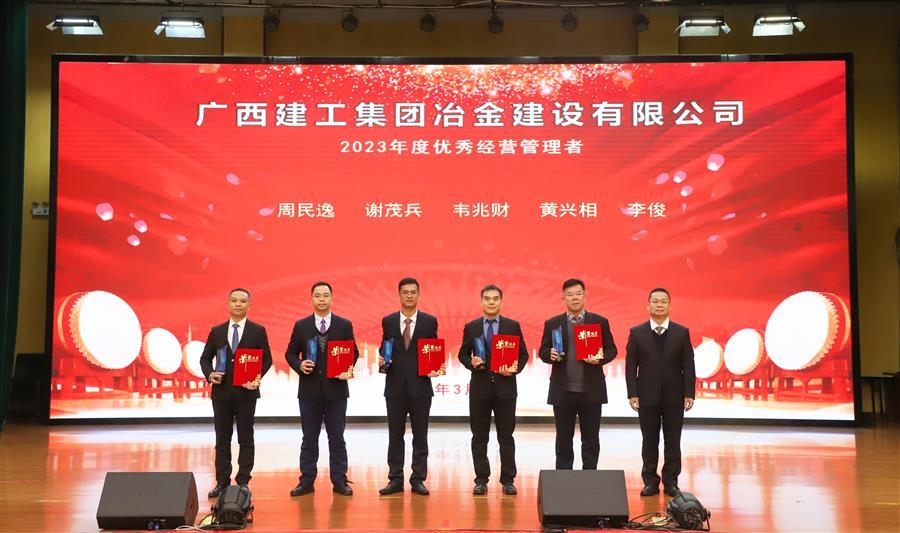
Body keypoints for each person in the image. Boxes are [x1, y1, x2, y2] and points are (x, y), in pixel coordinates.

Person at [285, 282, 359, 497]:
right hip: (309, 392)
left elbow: (353, 352)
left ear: (332, 298)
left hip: (336, 392)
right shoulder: (301, 325)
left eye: (325, 295)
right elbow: (290, 353)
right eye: (317, 296)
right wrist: (299, 365)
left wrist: (346, 366)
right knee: (309, 439)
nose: (321, 299)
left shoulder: (344, 325)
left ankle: (340, 481)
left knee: (337, 439)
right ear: (312, 299)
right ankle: (306, 482)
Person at [199, 288, 273, 498]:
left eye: (242, 301)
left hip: (246, 394)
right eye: (234, 300)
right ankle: (222, 482)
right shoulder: (217, 331)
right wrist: (210, 374)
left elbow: (267, 359)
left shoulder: (257, 330)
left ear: (249, 305)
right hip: (221, 394)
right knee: (222, 439)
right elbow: (205, 358)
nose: (238, 304)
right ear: (228, 304)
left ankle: (243, 482)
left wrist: (256, 377)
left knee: (245, 438)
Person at [538, 278, 617, 470]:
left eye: (578, 294)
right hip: (563, 391)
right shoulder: (553, 323)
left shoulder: (599, 322)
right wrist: (550, 355)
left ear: (585, 296)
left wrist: (600, 358)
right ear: (563, 298)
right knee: (563, 440)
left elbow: (612, 349)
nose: (575, 298)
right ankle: (564, 478)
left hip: (591, 391)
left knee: (591, 439)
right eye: (570, 294)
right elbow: (543, 351)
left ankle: (589, 476)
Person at [458, 284, 529, 496]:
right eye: (487, 299)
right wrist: (471, 362)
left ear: (501, 301)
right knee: (479, 437)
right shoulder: (471, 327)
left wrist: (514, 368)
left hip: (505, 389)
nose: (491, 302)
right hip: (479, 390)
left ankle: (508, 480)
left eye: (495, 299)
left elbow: (523, 354)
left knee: (506, 436)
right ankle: (481, 479)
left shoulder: (512, 326)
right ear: (481, 302)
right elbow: (462, 354)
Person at [625, 288, 696, 497]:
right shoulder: (637, 332)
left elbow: (688, 365)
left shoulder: (681, 332)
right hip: (646, 396)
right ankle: (650, 482)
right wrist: (632, 393)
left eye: (663, 301)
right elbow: (631, 366)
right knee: (649, 441)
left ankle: (671, 482)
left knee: (673, 441)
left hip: (675, 396)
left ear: (669, 306)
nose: (659, 304)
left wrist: (689, 393)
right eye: (655, 301)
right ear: (648, 306)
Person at [377, 277, 440, 496]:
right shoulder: (388, 321)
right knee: (395, 436)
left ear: (419, 295)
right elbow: (385, 347)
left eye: (413, 292)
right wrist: (382, 359)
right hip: (394, 387)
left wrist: (435, 365)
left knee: (420, 436)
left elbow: (433, 349)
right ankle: (395, 479)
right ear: (399, 295)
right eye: (405, 292)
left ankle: (418, 479)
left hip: (420, 387)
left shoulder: (429, 321)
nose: (409, 295)